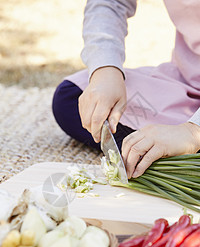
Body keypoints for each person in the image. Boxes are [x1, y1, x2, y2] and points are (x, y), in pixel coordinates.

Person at [52, 0, 200, 179]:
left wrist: (193, 132)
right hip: (188, 82)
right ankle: (161, 150)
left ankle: (171, 151)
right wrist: (106, 69)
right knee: (73, 98)